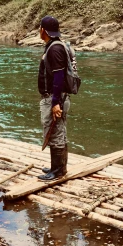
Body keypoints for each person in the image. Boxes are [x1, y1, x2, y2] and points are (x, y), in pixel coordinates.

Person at [37, 15, 70, 181]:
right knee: (57, 131)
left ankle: (58, 171)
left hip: (54, 98)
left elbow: (58, 77)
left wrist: (55, 102)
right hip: (55, 98)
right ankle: (57, 167)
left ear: (43, 30)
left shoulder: (55, 49)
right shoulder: (54, 45)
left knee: (55, 132)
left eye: (40, 28)